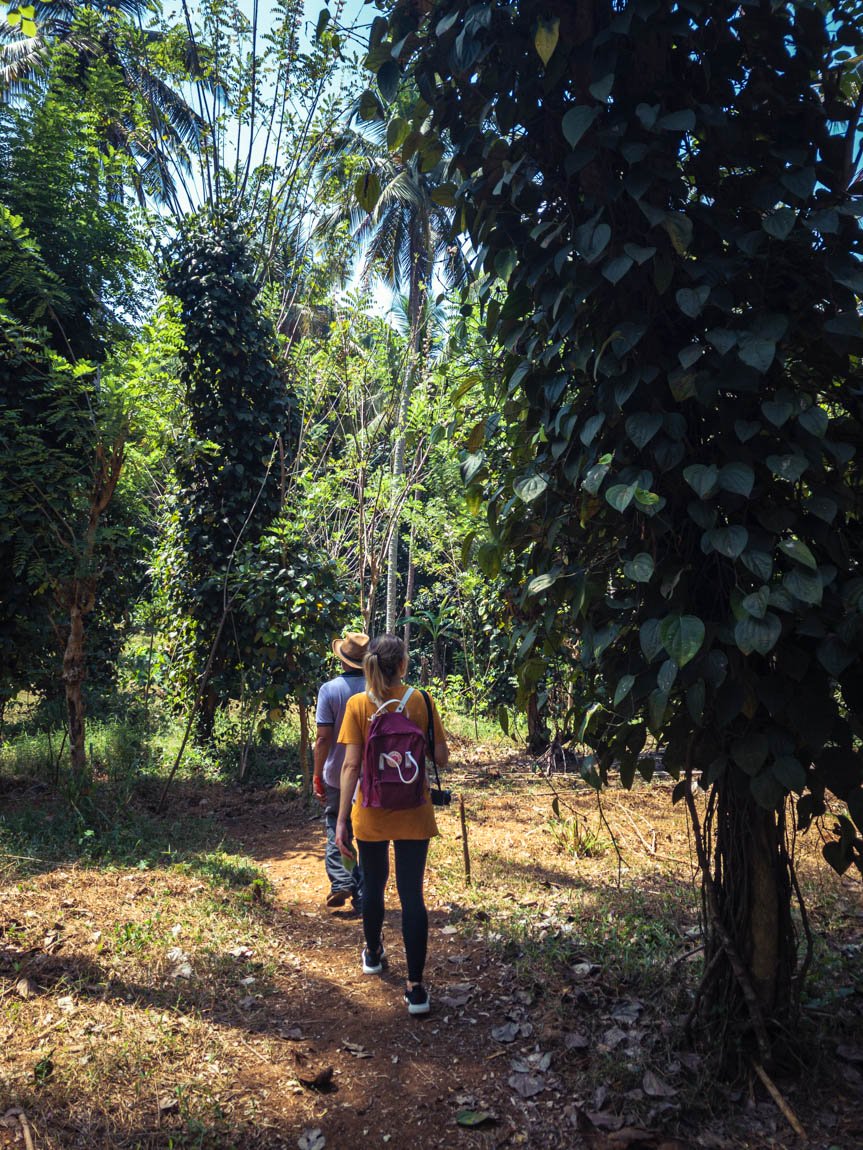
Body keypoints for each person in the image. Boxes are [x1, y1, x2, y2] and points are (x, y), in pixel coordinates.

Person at [335, 634, 448, 1016]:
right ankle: (416, 988)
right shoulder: (420, 700)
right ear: (402, 664)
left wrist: (341, 820)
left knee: (373, 885)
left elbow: (351, 766)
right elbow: (441, 758)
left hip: (371, 812)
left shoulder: (357, 704)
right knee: (411, 894)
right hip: (415, 811)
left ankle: (373, 952)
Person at [314, 631, 369, 910]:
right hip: (371, 777)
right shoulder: (378, 689)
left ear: (343, 660)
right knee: (368, 836)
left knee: (338, 825)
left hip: (337, 773)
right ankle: (363, 893)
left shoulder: (329, 690)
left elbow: (323, 738)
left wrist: (317, 773)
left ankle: (342, 880)